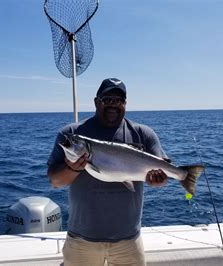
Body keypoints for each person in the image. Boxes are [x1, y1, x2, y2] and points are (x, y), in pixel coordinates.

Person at [47, 78, 169, 266]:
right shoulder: (71, 133)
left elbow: (163, 176)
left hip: (129, 240)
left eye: (118, 100)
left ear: (125, 104)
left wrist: (159, 180)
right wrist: (72, 168)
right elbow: (55, 181)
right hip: (81, 240)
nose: (113, 104)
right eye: (107, 99)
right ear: (96, 102)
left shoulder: (143, 134)